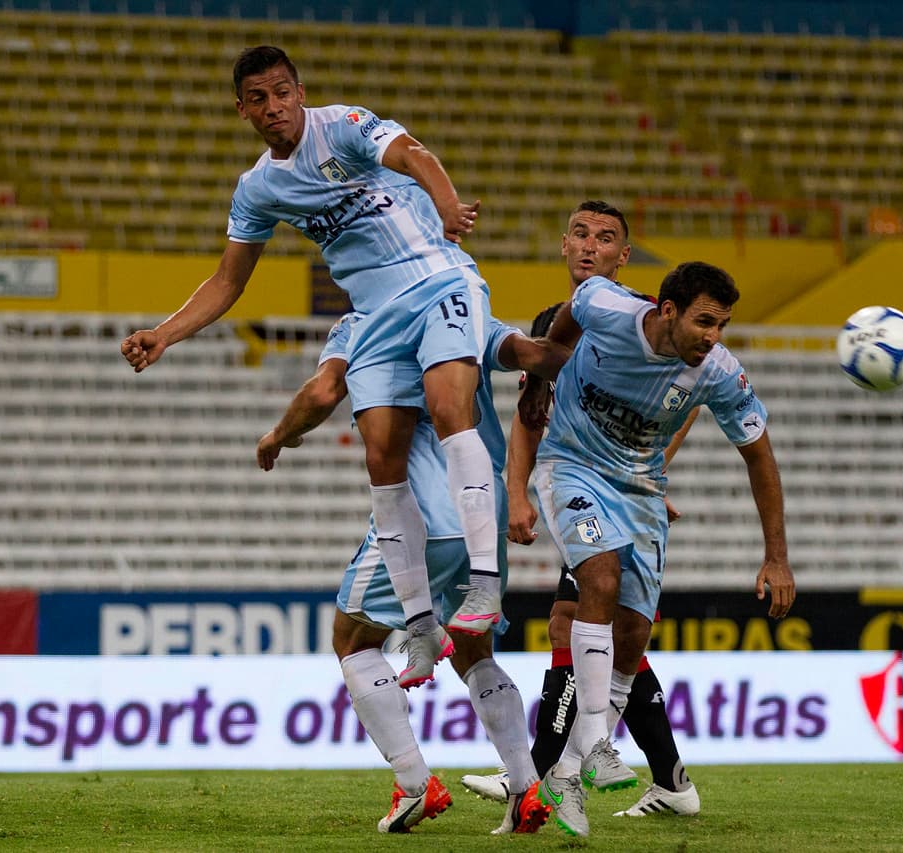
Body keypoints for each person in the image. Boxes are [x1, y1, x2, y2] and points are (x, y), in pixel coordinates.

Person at [120, 45, 503, 690]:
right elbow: (227, 279)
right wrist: (165, 333)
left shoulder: (344, 125)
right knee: (381, 456)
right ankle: (419, 623)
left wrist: (445, 204)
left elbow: (413, 155)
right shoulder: (258, 188)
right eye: (258, 99)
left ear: (299, 92)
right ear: (241, 109)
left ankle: (486, 587)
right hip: (373, 312)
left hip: (437, 280)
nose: (274, 107)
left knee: (446, 410)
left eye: (282, 92)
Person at [256, 311, 561, 835]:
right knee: (474, 651)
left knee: (353, 639)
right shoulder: (463, 310)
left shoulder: (362, 321)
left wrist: (278, 436)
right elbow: (533, 352)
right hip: (481, 519)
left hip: (419, 519)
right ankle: (525, 783)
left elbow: (324, 392)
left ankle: (414, 783)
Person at [520, 261, 796, 837]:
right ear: (667, 311)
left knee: (634, 634)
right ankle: (596, 741)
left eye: (722, 324)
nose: (713, 336)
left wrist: (776, 556)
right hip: (571, 465)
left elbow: (759, 456)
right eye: (704, 322)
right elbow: (569, 316)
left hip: (642, 487)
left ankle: (567, 771)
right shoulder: (605, 305)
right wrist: (546, 372)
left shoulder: (717, 372)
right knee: (599, 578)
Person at [462, 201, 702, 818]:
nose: (590, 246)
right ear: (564, 247)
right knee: (598, 628)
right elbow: (529, 417)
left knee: (581, 622)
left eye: (606, 239)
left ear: (625, 257)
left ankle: (546, 770)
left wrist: (648, 470)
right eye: (580, 235)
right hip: (575, 487)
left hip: (618, 495)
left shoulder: (646, 321)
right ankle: (664, 782)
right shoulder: (552, 324)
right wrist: (516, 493)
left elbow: (692, 395)